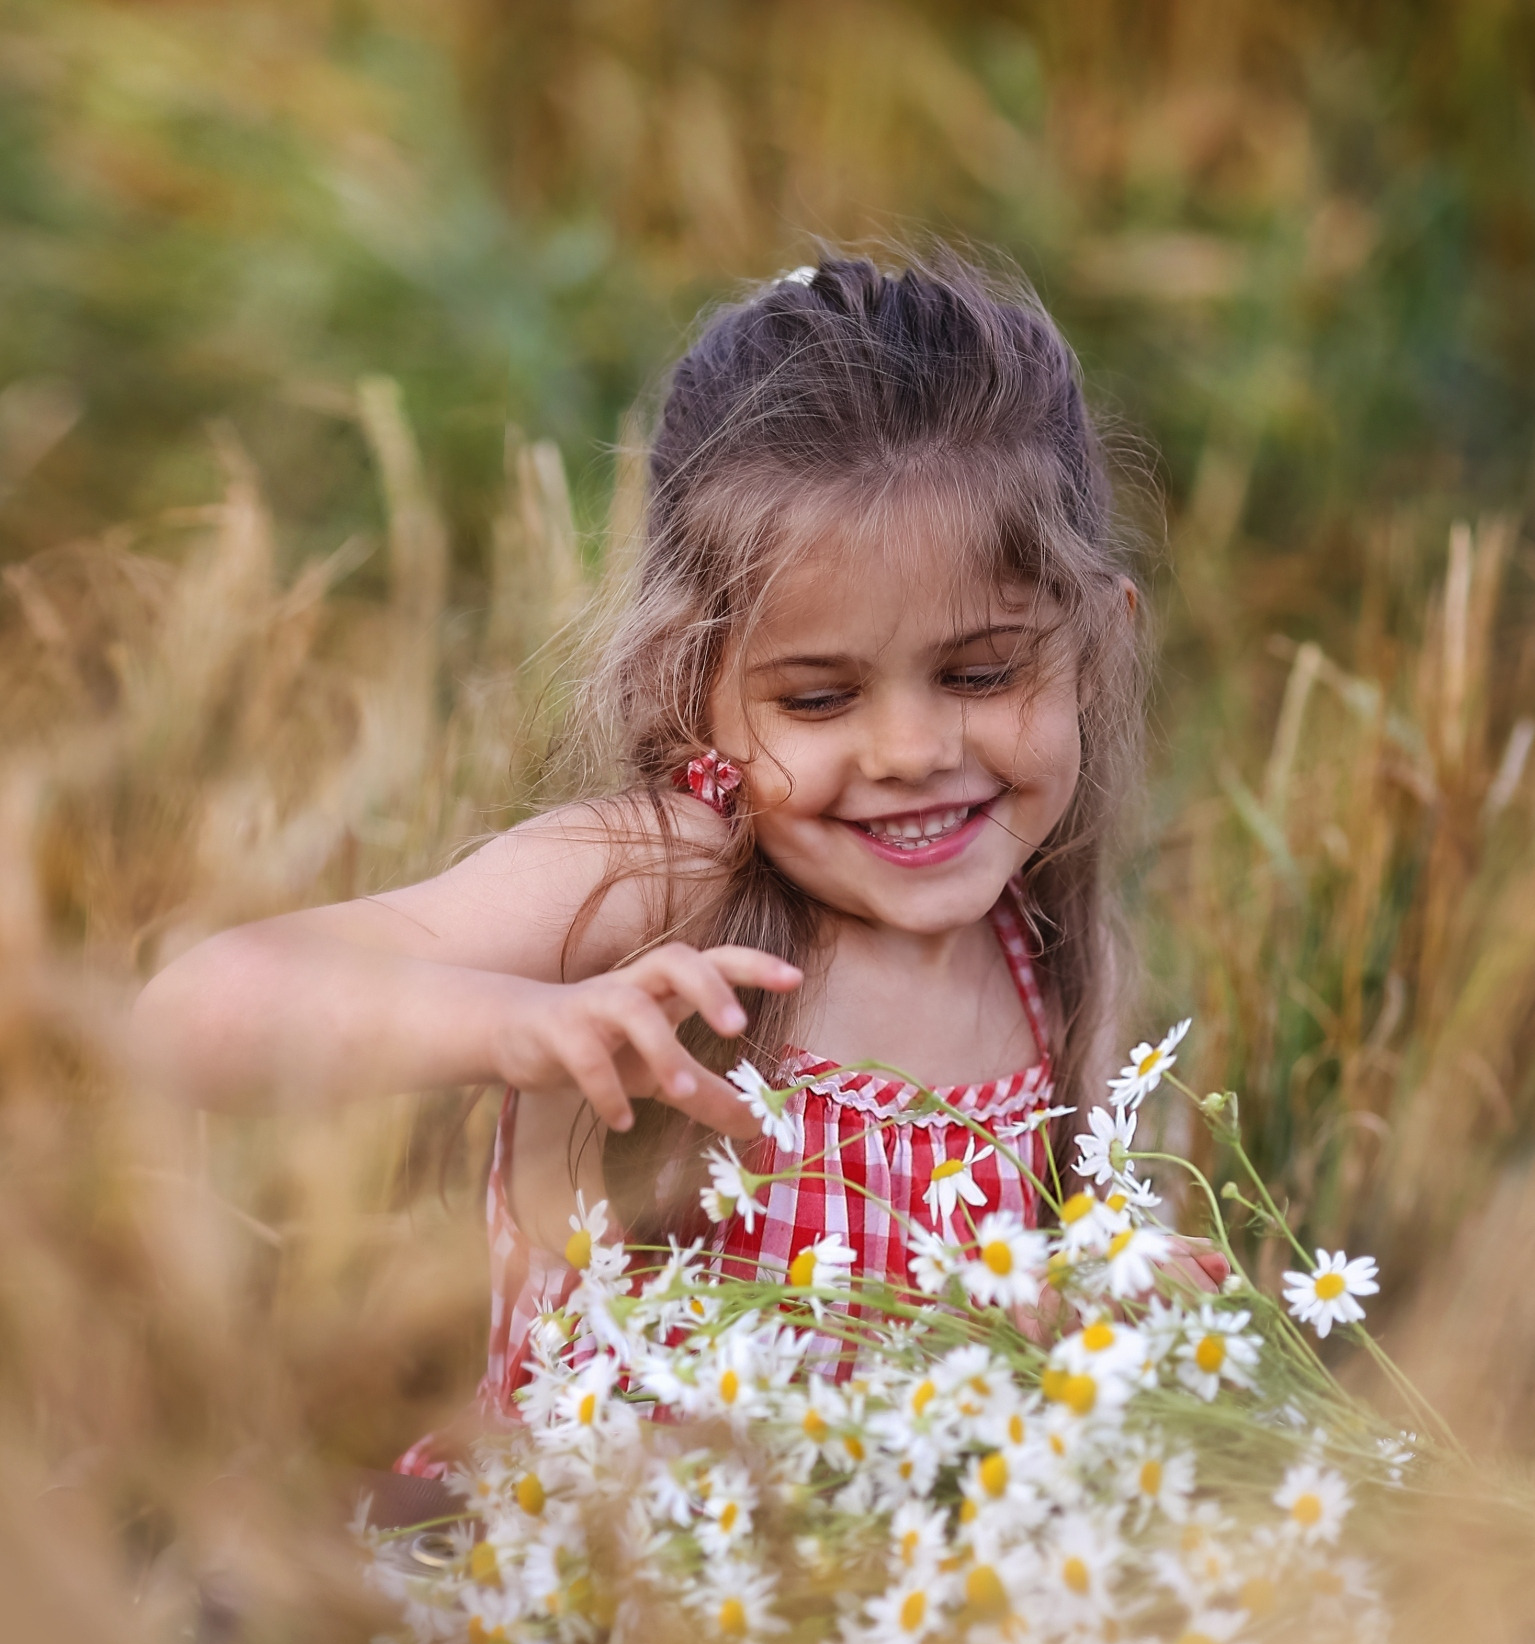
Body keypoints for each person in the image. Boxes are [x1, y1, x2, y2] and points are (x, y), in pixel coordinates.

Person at [132, 251, 1222, 1475]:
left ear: (1097, 646)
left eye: (980, 674)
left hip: (873, 1621)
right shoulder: (676, 878)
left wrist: (1101, 1318)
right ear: (687, 685)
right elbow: (193, 1013)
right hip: (587, 1601)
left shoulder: (1044, 945)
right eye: (817, 698)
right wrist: (517, 1026)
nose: (913, 749)